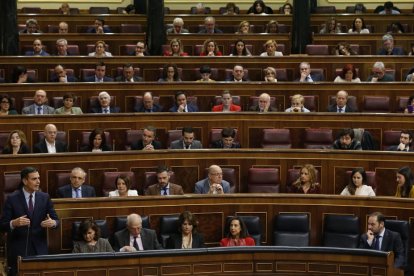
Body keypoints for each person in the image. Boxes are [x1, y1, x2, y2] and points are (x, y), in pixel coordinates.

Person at [0, 167, 59, 276]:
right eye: (34, 179)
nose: (38, 182)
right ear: (25, 181)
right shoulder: (12, 199)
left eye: (39, 178)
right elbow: (2, 225)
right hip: (19, 248)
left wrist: (53, 223)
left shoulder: (44, 197)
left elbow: (56, 220)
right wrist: (14, 223)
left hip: (39, 248)